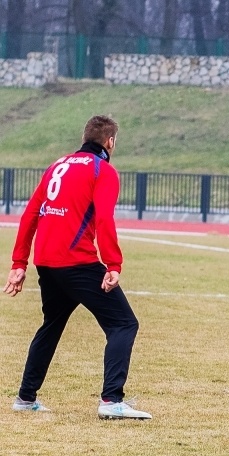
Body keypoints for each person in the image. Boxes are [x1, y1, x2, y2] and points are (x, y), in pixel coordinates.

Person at [4, 115, 151, 419]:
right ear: (110, 142)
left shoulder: (58, 164)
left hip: (47, 263)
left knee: (52, 325)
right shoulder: (103, 170)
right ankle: (112, 401)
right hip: (77, 262)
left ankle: (25, 397)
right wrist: (113, 263)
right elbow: (104, 219)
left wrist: (20, 263)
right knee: (123, 324)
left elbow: (31, 213)